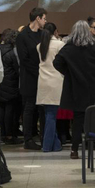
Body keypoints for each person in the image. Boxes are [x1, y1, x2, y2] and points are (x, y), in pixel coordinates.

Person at [53, 20, 95, 159]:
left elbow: (56, 62)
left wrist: (68, 72)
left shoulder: (69, 47)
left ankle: (74, 150)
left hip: (76, 87)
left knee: (78, 119)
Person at [16, 7, 47, 150]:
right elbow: (24, 59)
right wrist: (39, 72)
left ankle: (43, 137)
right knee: (29, 108)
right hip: (30, 77)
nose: (45, 21)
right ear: (37, 18)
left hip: (43, 77)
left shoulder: (43, 34)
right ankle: (28, 139)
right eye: (44, 18)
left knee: (42, 109)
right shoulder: (23, 35)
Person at [36, 22, 66, 152]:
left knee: (49, 114)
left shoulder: (39, 46)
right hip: (56, 81)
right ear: (55, 32)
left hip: (43, 82)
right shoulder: (60, 45)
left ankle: (56, 144)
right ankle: (47, 146)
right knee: (51, 115)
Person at [0, 29, 23, 145]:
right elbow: (17, 70)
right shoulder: (12, 53)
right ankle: (9, 135)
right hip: (11, 84)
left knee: (1, 109)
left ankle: (2, 134)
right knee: (10, 111)